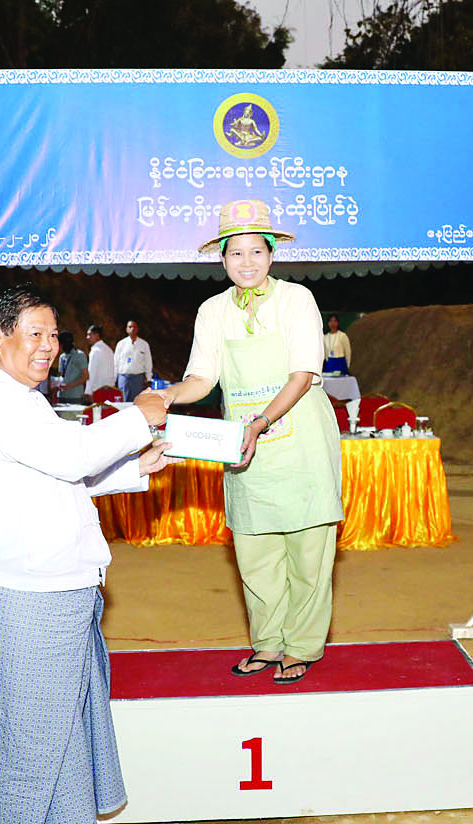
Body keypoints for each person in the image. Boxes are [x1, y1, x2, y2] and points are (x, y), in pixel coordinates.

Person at [0, 285, 170, 824]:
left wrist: (134, 469)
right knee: (26, 736)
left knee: (64, 722)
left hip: (59, 583)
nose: (48, 347)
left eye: (54, 336)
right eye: (35, 334)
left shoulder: (22, 398)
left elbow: (53, 476)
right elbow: (71, 457)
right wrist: (140, 414)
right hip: (27, 590)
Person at [151, 199, 343, 684]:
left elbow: (302, 375)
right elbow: (202, 377)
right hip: (243, 450)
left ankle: (300, 646)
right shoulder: (212, 311)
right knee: (256, 557)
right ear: (222, 258)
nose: (247, 262)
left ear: (271, 254)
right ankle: (267, 644)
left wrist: (259, 423)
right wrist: (168, 395)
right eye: (236, 253)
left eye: (256, 251)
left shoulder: (296, 300)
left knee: (308, 556)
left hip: (299, 445)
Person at [113, 319, 153, 400]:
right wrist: (114, 379)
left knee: (137, 402)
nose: (132, 329)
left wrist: (149, 378)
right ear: (126, 329)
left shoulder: (144, 344)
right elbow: (115, 362)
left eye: (134, 327)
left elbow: (148, 362)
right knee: (124, 401)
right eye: (130, 327)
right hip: (124, 378)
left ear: (137, 329)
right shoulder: (121, 344)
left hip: (138, 378)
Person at [56, 330, 89, 404]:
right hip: (62, 395)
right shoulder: (62, 357)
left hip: (75, 396)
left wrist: (69, 386)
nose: (59, 347)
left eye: (60, 344)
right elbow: (61, 375)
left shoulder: (80, 355)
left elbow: (86, 376)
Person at [85, 324, 115, 395]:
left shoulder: (95, 351)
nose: (87, 337)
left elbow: (91, 373)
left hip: (97, 391)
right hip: (110, 389)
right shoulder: (109, 350)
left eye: (89, 335)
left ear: (97, 335)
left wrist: (87, 392)